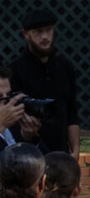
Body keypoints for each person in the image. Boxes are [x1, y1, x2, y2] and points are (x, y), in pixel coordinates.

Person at [8, 9, 79, 157]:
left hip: (61, 152)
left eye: (48, 30)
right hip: (28, 154)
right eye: (38, 32)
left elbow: (71, 111)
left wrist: (75, 149)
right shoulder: (15, 71)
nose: (45, 37)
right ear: (26, 34)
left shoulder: (64, 67)